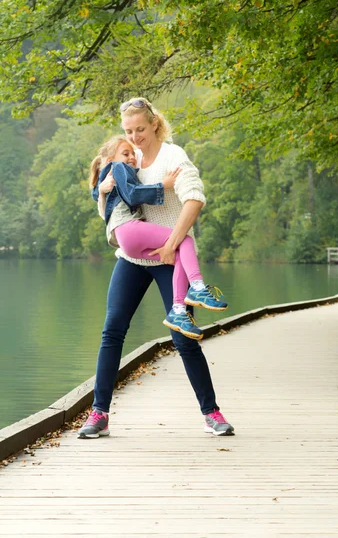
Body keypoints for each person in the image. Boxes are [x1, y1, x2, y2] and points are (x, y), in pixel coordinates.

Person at [77, 97, 234, 439]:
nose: (135, 137)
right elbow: (111, 210)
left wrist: (171, 244)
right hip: (134, 259)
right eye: (129, 131)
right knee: (112, 330)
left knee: (184, 337)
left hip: (169, 258)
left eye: (141, 130)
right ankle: (99, 413)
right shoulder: (125, 161)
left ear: (155, 125)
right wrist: (103, 191)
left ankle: (212, 413)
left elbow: (194, 198)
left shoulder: (172, 156)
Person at [89, 135, 228, 340]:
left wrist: (99, 190)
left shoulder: (116, 173)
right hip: (129, 230)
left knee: (180, 253)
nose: (131, 157)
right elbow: (133, 194)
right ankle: (198, 287)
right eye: (125, 153)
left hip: (129, 242)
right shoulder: (119, 168)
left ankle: (179, 311)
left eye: (132, 154)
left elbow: (104, 196)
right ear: (111, 159)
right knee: (185, 239)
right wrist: (164, 185)